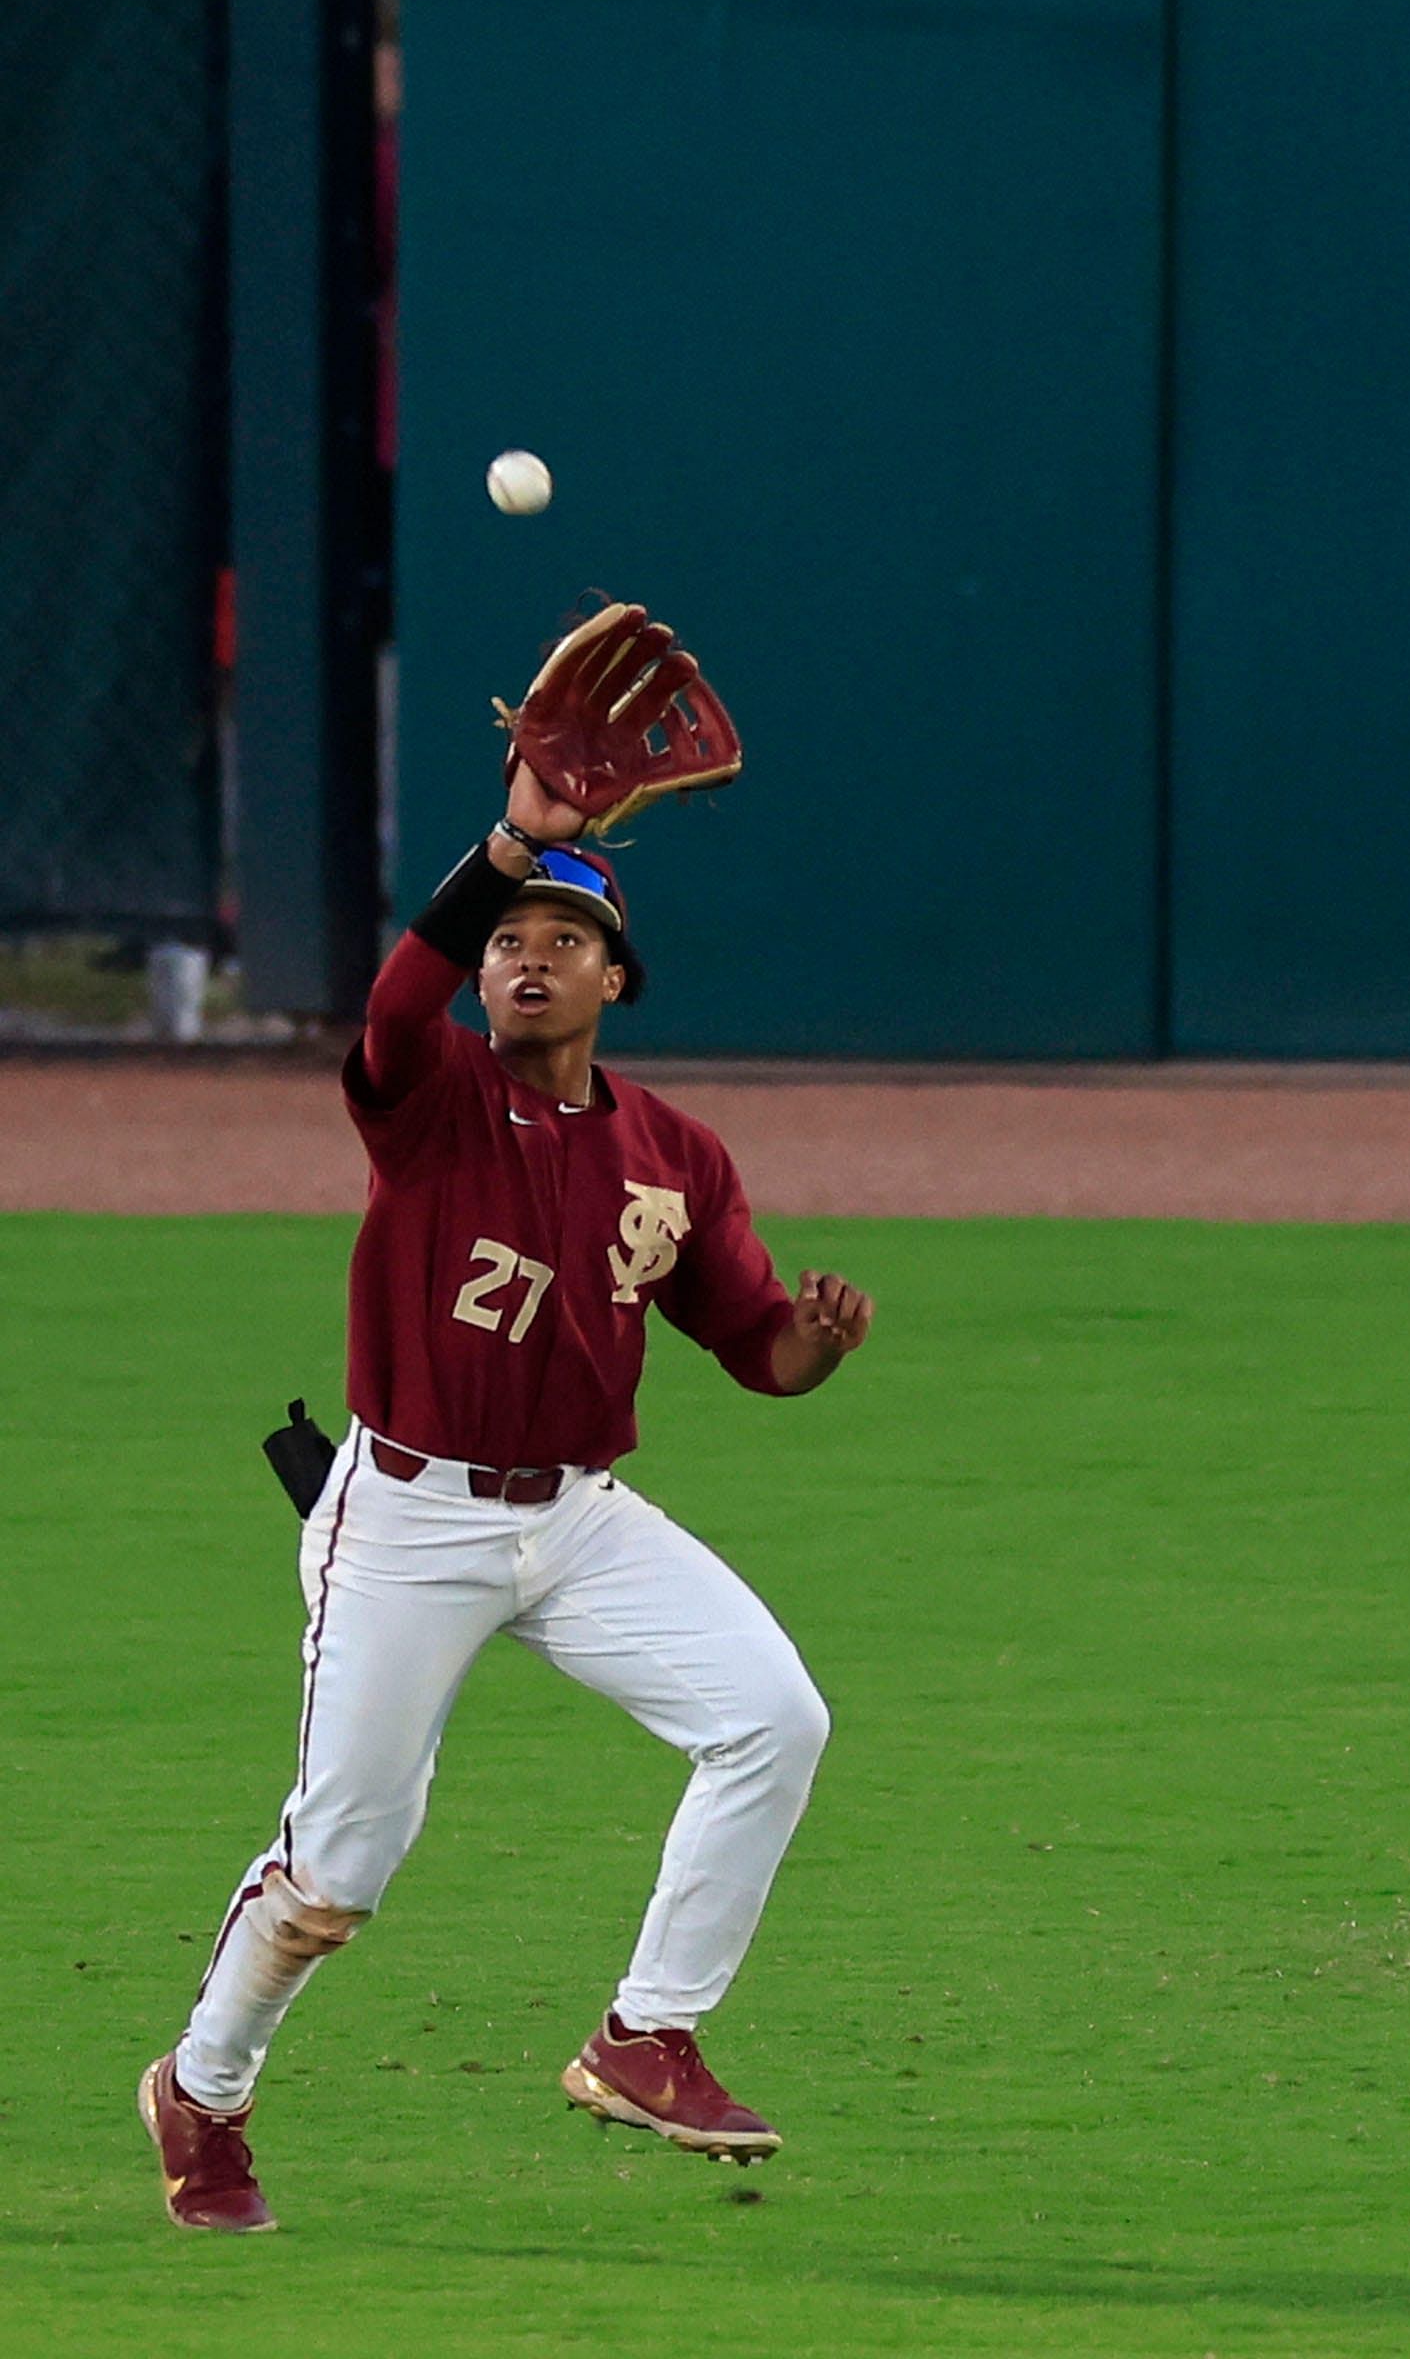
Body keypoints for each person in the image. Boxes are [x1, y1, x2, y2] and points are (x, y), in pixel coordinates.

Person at [140, 751, 873, 2233]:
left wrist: (811, 1341)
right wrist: (511, 842)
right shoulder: (428, 1093)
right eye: (507, 942)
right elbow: (393, 1004)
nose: (526, 958)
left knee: (772, 1718)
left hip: (578, 1517)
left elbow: (751, 1350)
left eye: (562, 938)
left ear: (618, 975)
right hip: (406, 1517)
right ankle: (202, 2087)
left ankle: (643, 2036)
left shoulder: (674, 1156)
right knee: (341, 1864)